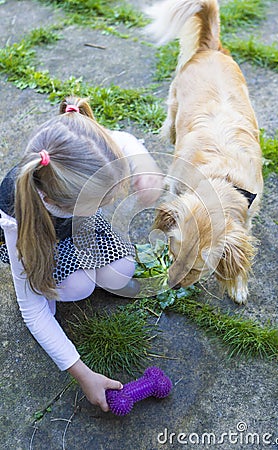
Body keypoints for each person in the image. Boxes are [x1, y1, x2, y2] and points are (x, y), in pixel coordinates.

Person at [0, 96, 164, 412]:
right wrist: (82, 373)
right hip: (39, 241)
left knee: (120, 270)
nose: (110, 203)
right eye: (102, 202)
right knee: (79, 287)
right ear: (60, 201)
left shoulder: (84, 150)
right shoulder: (15, 218)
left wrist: (145, 168)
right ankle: (59, 281)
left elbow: (125, 141)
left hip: (74, 220)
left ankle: (93, 272)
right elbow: (31, 310)